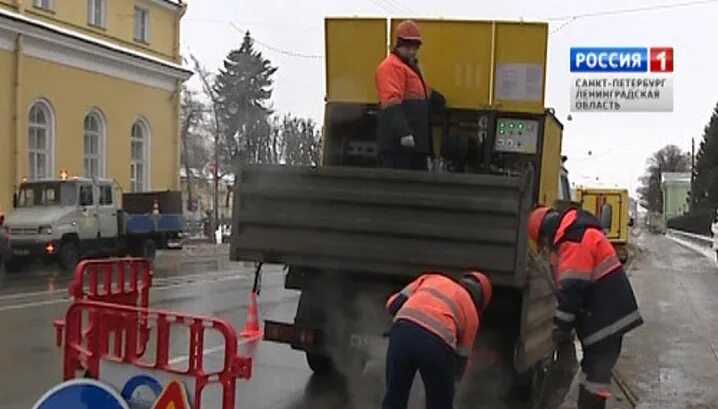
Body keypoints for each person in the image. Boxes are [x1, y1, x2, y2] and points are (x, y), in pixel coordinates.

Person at [527, 205, 643, 409]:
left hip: (607, 320)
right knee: (595, 373)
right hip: (608, 317)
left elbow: (572, 292)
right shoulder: (578, 233)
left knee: (595, 377)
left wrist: (560, 329)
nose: (545, 248)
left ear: (546, 233)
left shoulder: (575, 241)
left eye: (543, 243)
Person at [381, 271, 492, 409]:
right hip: (436, 344)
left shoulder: (431, 278)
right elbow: (461, 358)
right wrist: (451, 384)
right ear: (480, 301)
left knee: (395, 396)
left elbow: (392, 304)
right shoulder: (471, 313)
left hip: (402, 333)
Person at [375, 19, 446, 170]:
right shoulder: (391, 67)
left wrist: (437, 100)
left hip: (415, 147)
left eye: (415, 47)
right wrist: (404, 133)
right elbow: (391, 102)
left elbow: (420, 92)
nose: (412, 51)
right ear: (398, 45)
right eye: (408, 47)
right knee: (400, 190)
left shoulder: (409, 69)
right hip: (398, 148)